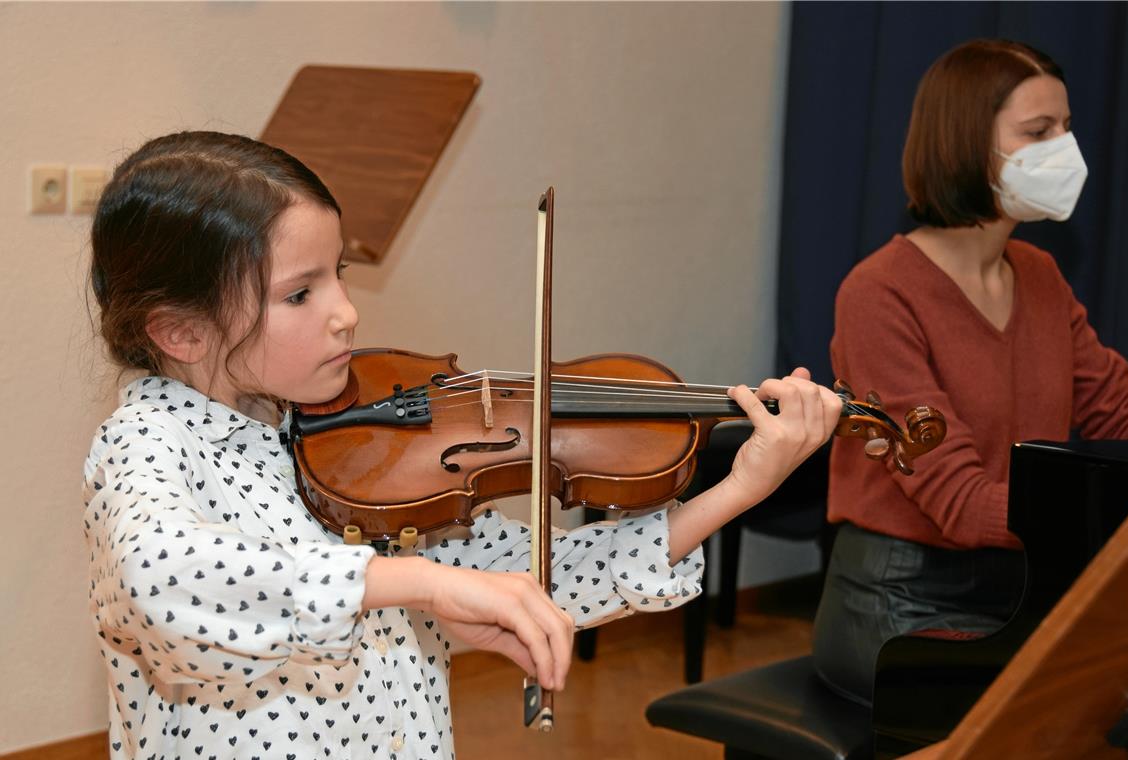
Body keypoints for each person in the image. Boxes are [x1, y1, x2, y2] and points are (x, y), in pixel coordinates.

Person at [83, 130, 842, 758]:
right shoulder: (147, 445)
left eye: (339, 274)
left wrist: (740, 487)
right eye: (301, 292)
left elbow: (537, 575)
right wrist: (424, 584)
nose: (347, 312)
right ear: (181, 332)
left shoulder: (350, 443)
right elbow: (168, 580)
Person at [811, 38, 1128, 707]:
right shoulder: (879, 293)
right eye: (1038, 132)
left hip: (1024, 583)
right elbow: (957, 501)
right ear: (967, 144)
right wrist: (1089, 514)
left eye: (1068, 128)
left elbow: (1120, 415)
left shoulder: (1042, 276)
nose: (1065, 150)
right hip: (902, 602)